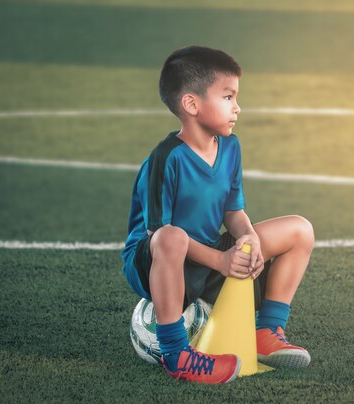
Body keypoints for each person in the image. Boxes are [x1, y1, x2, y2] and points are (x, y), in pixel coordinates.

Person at [122, 46, 314, 384]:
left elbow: (233, 211)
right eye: (228, 97)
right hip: (157, 262)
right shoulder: (166, 158)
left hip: (209, 252)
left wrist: (249, 238)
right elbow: (157, 233)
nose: (237, 107)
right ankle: (176, 353)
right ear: (192, 105)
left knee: (299, 230)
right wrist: (220, 261)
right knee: (172, 237)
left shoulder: (230, 147)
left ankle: (266, 331)